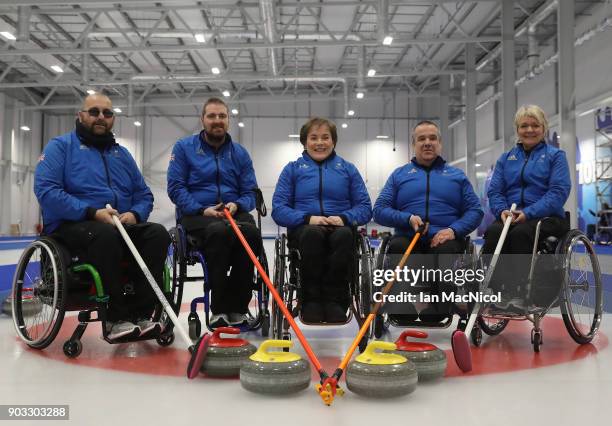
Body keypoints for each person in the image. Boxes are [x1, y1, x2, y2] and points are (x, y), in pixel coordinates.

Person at [34, 93, 170, 340]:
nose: (100, 117)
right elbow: (47, 191)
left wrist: (135, 213)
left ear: (113, 119)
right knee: (105, 235)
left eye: (107, 113)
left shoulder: (122, 155)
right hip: (73, 224)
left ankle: (142, 315)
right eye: (94, 112)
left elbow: (143, 194)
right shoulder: (60, 147)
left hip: (119, 223)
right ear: (81, 115)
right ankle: (116, 318)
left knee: (157, 234)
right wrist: (91, 212)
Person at [373, 120, 483, 323]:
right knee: (397, 246)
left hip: (445, 239)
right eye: (421, 139)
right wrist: (407, 218)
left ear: (440, 143)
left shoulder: (457, 176)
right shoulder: (399, 175)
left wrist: (452, 230)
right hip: (409, 237)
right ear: (414, 144)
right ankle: (401, 307)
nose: (427, 143)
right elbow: (379, 210)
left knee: (447, 249)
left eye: (432, 138)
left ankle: (439, 308)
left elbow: (475, 211)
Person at [167, 97, 261, 328]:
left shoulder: (240, 153)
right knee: (220, 232)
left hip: (233, 213)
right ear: (203, 120)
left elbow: (251, 191)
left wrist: (237, 205)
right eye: (212, 116)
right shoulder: (184, 148)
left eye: (222, 116)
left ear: (228, 120)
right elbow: (176, 188)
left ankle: (238, 308)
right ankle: (219, 309)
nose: (217, 121)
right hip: (197, 214)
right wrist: (202, 209)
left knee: (249, 233)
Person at [272, 117, 372, 323]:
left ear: (333, 141)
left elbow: (365, 208)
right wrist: (308, 218)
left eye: (325, 137)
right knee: (311, 234)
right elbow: (279, 210)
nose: (320, 143)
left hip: (340, 228)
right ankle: (311, 300)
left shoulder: (348, 169)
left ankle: (337, 300)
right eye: (314, 137)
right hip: (305, 230)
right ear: (304, 142)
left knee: (344, 236)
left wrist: (344, 218)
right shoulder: (292, 170)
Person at [484, 105, 571, 306]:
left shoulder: (556, 156)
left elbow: (558, 192)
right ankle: (495, 290)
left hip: (546, 217)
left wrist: (529, 212)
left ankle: (520, 290)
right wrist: (502, 210)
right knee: (494, 232)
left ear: (544, 128)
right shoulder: (506, 159)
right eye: (524, 126)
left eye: (535, 125)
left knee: (520, 233)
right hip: (511, 215)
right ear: (517, 129)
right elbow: (495, 191)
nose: (529, 130)